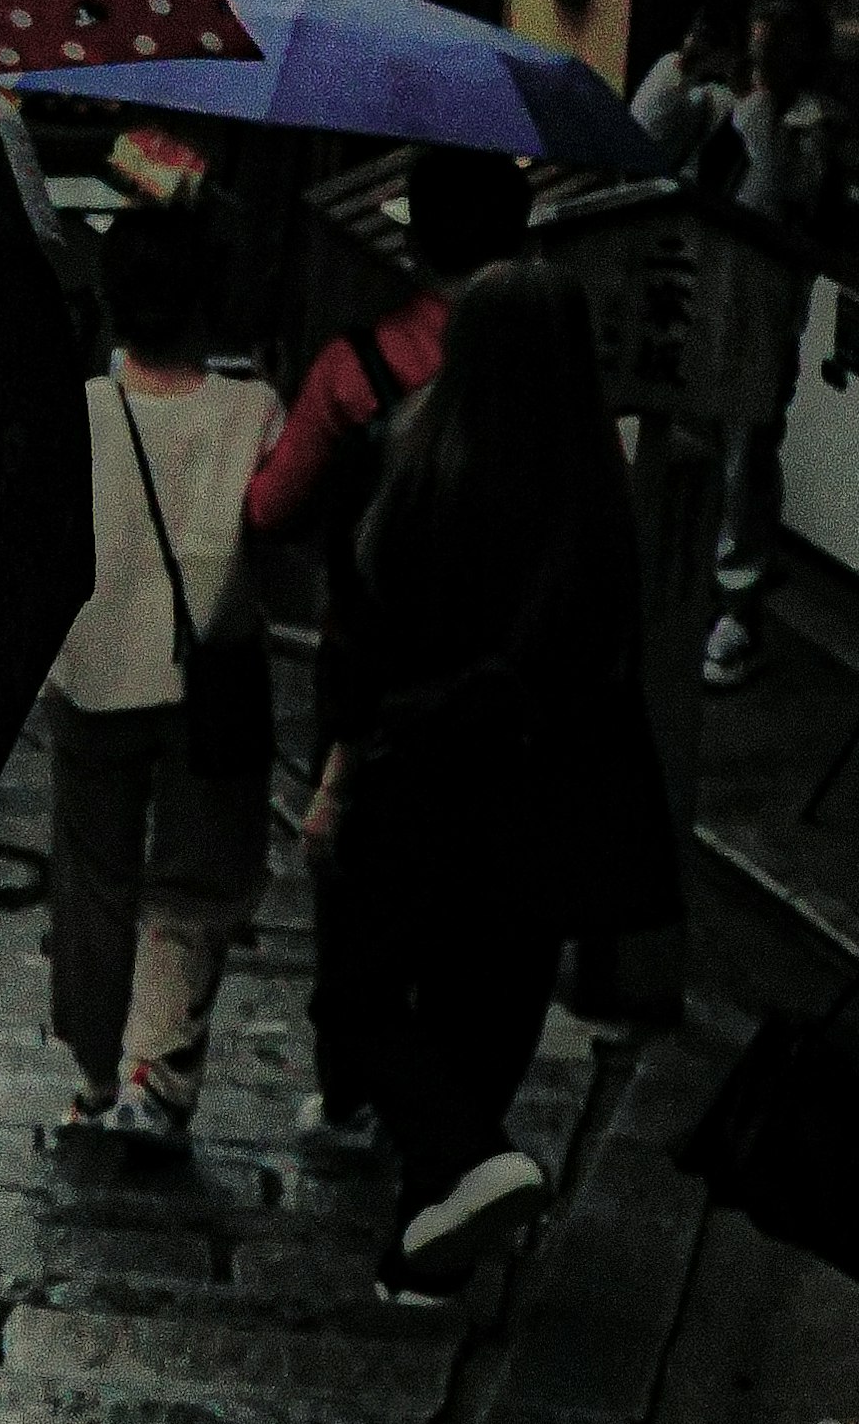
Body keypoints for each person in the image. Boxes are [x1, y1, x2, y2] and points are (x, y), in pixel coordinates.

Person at [301, 256, 678, 1305]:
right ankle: (434, 1252)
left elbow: (358, 643)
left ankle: (462, 1169)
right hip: (543, 799)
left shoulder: (417, 466)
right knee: (487, 1011)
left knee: (363, 991)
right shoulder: (596, 495)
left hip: (420, 783)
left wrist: (335, 777)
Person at [248, 143, 532, 1146]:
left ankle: (351, 1090)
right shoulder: (545, 385)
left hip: (369, 664)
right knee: (469, 893)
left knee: (356, 886)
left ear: (414, 239)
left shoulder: (355, 367)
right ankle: (444, 1093)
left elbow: (273, 507)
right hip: (504, 672)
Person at [40, 206, 280, 1146]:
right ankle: (157, 1074)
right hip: (207, 681)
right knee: (194, 881)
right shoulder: (253, 410)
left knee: (93, 877)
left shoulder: (82, 411)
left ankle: (97, 1076)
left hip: (93, 668)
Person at [636, 0, 843, 688]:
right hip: (693, 292)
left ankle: (737, 607)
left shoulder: (814, 126)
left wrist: (761, 102)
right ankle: (675, 584)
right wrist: (685, 69)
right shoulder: (723, 104)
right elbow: (645, 138)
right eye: (757, 39)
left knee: (744, 460)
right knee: (683, 443)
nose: (762, 55)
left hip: (759, 315)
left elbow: (780, 196)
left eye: (777, 43)